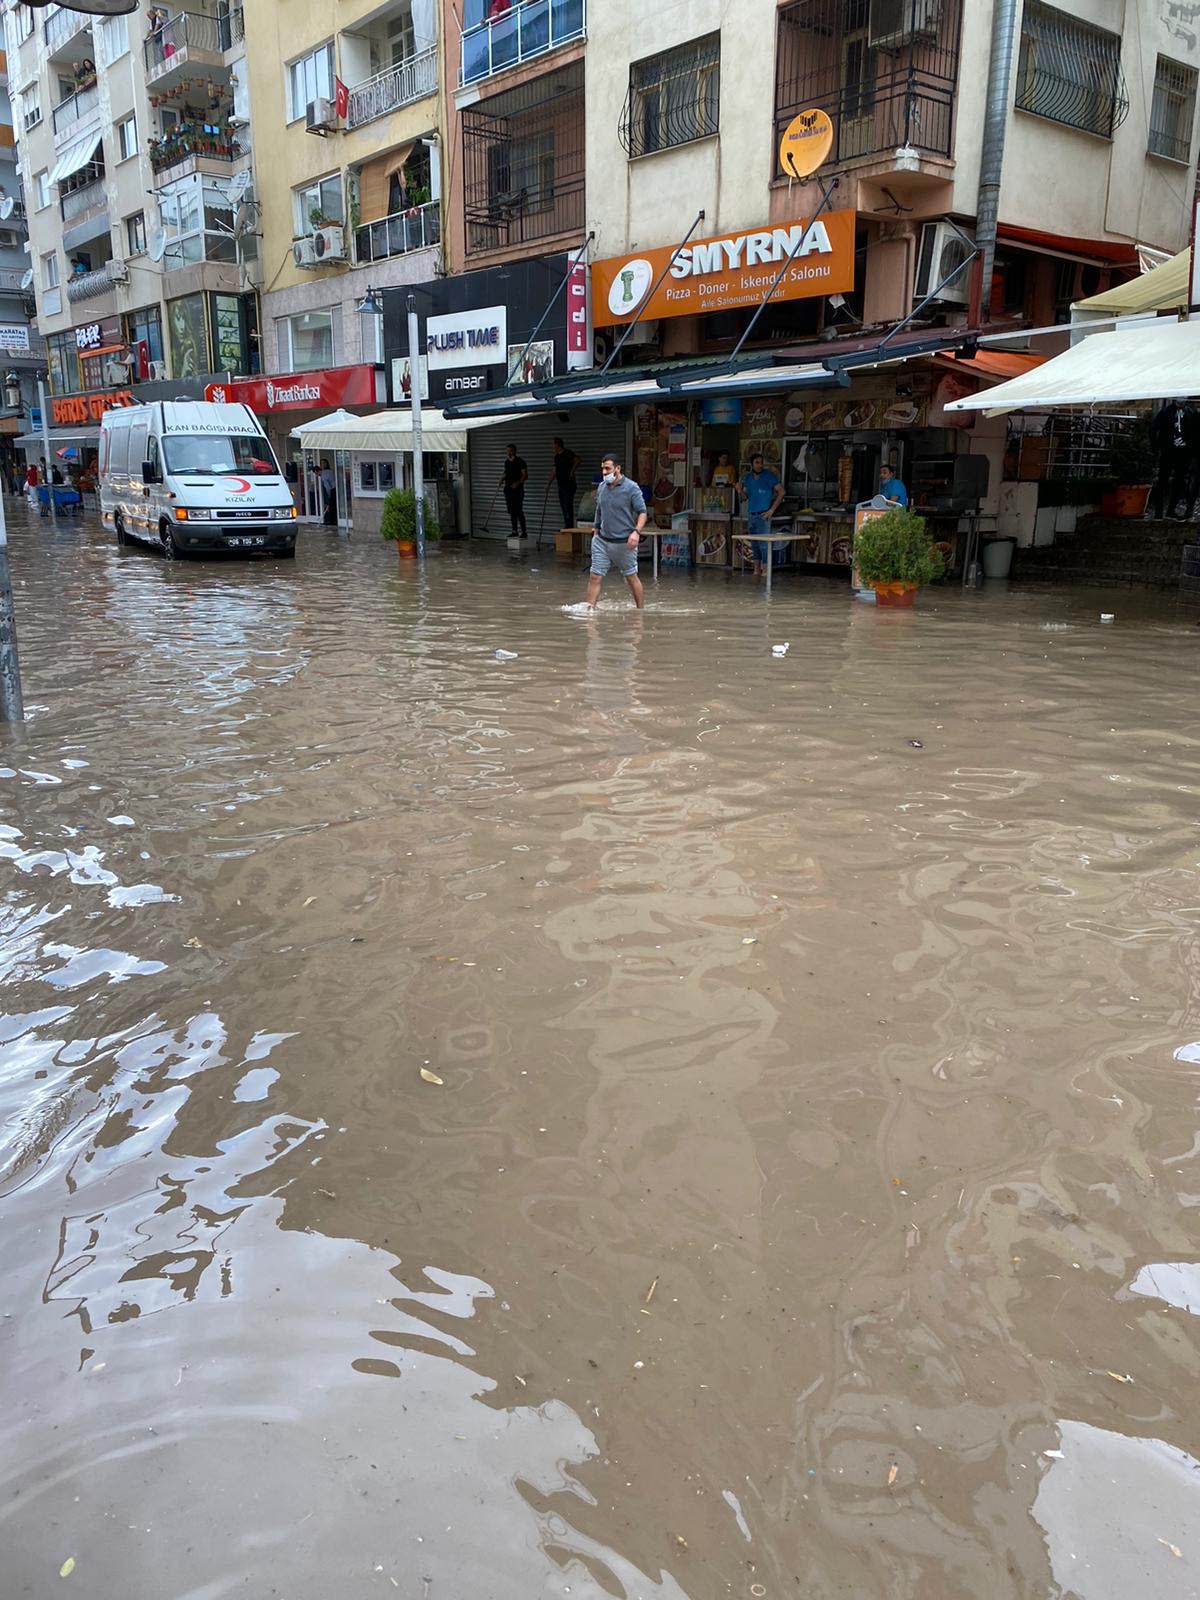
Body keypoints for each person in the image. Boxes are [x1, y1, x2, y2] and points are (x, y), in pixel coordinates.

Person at [583, 452, 646, 611]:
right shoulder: (601, 487)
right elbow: (599, 509)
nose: (604, 472)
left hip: (625, 543)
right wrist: (596, 530)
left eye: (607, 469)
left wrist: (636, 532)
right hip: (602, 541)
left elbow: (642, 512)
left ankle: (640, 611)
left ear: (618, 468)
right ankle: (589, 612)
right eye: (602, 469)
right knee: (595, 576)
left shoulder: (632, 488)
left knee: (631, 577)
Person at [1150, 398, 1199, 519]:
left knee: (1179, 481)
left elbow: (1194, 430)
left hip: (1183, 452)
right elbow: (1153, 429)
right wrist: (1156, 446)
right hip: (1168, 451)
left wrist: (1191, 447)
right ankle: (1159, 511)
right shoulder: (1165, 412)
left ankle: (1171, 509)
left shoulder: (1189, 412)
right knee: (1163, 481)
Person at [740, 453, 784, 577]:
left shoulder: (769, 476)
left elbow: (781, 492)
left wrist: (771, 510)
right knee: (754, 544)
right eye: (757, 462)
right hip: (751, 514)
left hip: (763, 514)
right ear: (752, 464)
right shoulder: (748, 478)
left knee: (764, 544)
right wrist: (739, 490)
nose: (760, 465)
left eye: (761, 462)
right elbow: (744, 497)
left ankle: (765, 570)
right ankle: (756, 570)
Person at [547, 436, 577, 530]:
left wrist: (572, 471)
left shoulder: (568, 453)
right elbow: (554, 471)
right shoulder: (556, 457)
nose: (553, 448)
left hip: (569, 483)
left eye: (554, 446)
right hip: (561, 483)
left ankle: (570, 525)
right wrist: (549, 483)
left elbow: (578, 460)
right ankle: (567, 523)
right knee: (563, 504)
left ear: (557, 445)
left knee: (568, 504)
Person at [500, 443, 527, 538]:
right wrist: (501, 479)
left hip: (518, 490)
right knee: (511, 511)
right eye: (507, 451)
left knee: (519, 510)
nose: (508, 453)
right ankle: (514, 530)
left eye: (510, 451)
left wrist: (518, 483)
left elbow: (525, 475)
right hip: (508, 490)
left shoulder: (520, 461)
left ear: (514, 451)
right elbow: (506, 473)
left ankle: (524, 532)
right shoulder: (506, 462)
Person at [320, 459, 336, 526]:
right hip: (334, 489)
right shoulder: (330, 471)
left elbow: (327, 486)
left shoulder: (325, 473)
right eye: (321, 463)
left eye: (324, 463)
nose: (323, 465)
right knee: (333, 507)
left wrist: (329, 494)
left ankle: (332, 521)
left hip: (332, 490)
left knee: (331, 507)